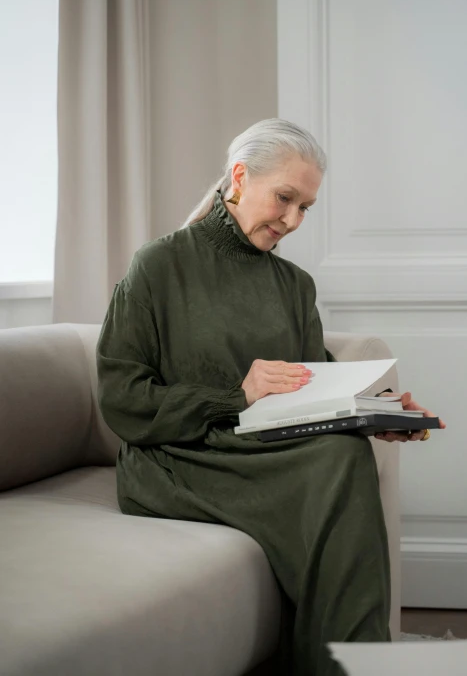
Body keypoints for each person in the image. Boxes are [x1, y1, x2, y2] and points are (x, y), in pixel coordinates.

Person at [96, 118, 444, 676]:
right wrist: (236, 396)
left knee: (344, 451)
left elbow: (315, 385)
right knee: (336, 463)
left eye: (305, 207)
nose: (292, 220)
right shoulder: (159, 266)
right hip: (176, 457)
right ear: (238, 176)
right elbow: (121, 398)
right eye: (285, 198)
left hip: (264, 449)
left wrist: (375, 412)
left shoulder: (294, 285)